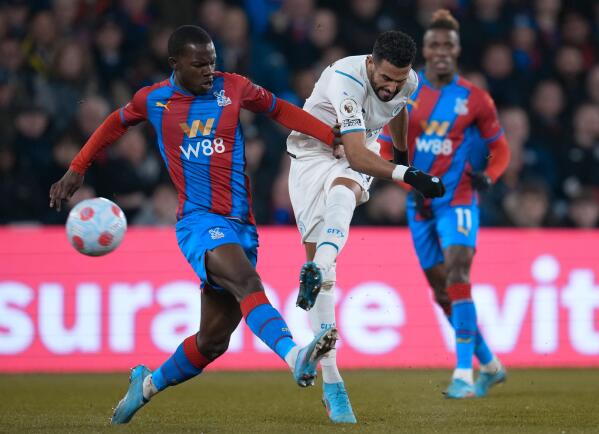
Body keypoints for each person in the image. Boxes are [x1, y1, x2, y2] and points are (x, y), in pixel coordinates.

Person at [49, 25, 342, 424]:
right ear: (175, 64)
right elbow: (115, 123)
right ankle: (295, 357)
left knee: (212, 342)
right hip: (199, 222)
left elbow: (278, 110)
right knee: (248, 284)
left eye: (212, 63)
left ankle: (146, 385)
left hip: (242, 224)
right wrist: (77, 167)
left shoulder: (233, 88)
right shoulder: (154, 100)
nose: (209, 71)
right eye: (199, 64)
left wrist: (329, 136)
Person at [286, 30, 445, 423]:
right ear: (371, 63)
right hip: (310, 155)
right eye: (385, 78)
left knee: (345, 192)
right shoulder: (347, 78)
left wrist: (403, 152)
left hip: (356, 154)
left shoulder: (406, 81)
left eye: (399, 78)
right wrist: (409, 174)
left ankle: (320, 266)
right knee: (325, 279)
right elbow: (355, 154)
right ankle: (332, 379)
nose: (390, 87)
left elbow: (399, 108)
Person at [378, 10, 510, 399]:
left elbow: (500, 148)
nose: (440, 51)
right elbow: (387, 150)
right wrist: (407, 187)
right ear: (425, 50)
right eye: (433, 45)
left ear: (457, 50)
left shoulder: (475, 99)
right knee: (441, 292)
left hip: (459, 200)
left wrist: (491, 175)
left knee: (457, 273)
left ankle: (463, 375)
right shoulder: (407, 93)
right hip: (418, 204)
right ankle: (490, 364)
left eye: (447, 45)